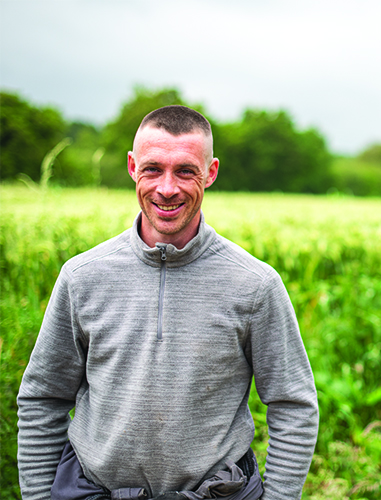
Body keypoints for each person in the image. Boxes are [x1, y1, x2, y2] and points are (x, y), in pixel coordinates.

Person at [17, 105, 319, 500]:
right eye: (153, 169)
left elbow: (293, 404)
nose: (167, 187)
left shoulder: (255, 285)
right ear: (131, 167)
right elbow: (43, 398)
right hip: (93, 491)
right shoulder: (82, 277)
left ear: (210, 172)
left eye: (186, 171)